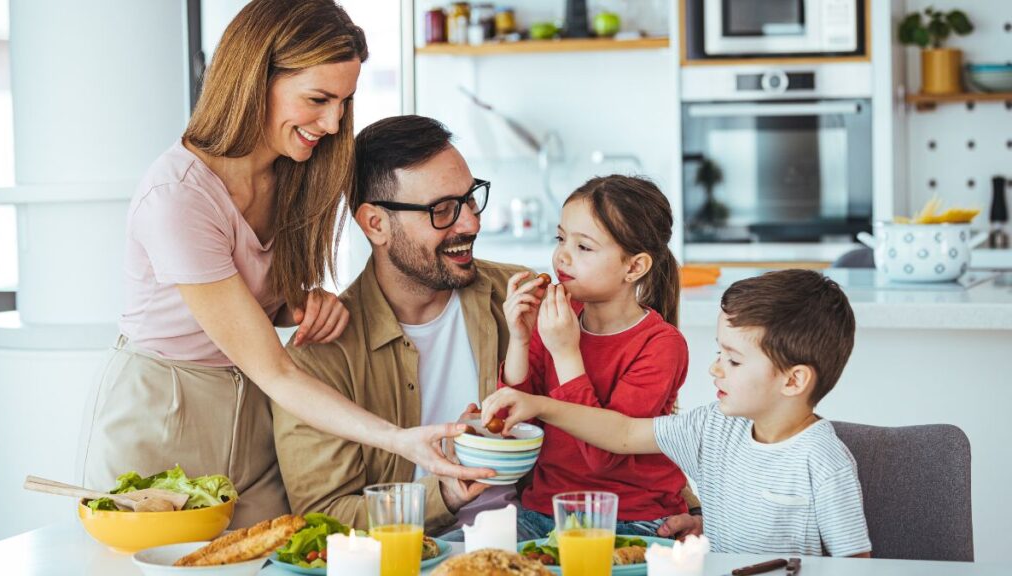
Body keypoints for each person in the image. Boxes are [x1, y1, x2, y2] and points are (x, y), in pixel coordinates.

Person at [76, 1, 486, 529]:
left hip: (254, 410)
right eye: (318, 99)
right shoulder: (178, 196)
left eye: (344, 101)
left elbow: (250, 316)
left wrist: (295, 303)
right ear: (253, 79)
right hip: (165, 410)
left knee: (271, 557)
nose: (334, 122)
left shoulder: (294, 173)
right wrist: (398, 438)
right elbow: (274, 367)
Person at [483, 269, 873, 557]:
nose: (715, 369)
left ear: (793, 381)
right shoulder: (712, 426)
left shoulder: (823, 460)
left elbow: (858, 566)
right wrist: (538, 404)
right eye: (720, 353)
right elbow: (620, 432)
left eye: (733, 361)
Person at [272, 115, 526, 535]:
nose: (470, 223)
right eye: (442, 210)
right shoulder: (318, 355)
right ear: (375, 224)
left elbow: (611, 411)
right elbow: (324, 516)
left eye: (470, 198)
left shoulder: (517, 298)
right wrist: (442, 494)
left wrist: (671, 501)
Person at [498, 175, 693, 540]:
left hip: (632, 520)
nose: (562, 255)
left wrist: (566, 352)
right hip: (544, 511)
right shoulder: (556, 318)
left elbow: (605, 455)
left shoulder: (661, 345)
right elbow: (517, 425)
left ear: (634, 267)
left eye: (584, 247)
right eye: (561, 239)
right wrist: (520, 338)